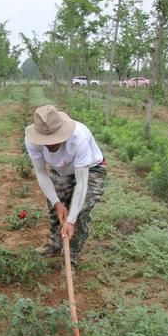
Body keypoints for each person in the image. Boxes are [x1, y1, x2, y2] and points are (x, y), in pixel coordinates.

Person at [24, 105, 107, 268]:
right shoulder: (31, 140)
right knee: (56, 209)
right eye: (46, 141)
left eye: (54, 139)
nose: (50, 145)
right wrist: (56, 202)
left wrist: (71, 219)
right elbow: (41, 173)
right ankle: (55, 246)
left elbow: (82, 184)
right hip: (62, 170)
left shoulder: (79, 137)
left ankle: (71, 257)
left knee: (80, 211)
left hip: (92, 170)